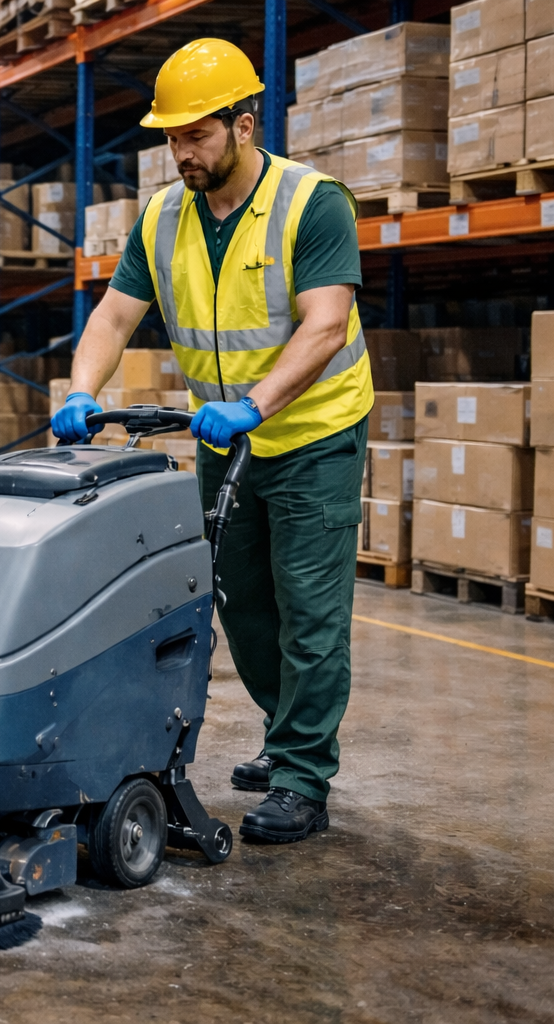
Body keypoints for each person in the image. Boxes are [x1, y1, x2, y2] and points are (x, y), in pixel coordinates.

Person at [51, 39, 371, 844]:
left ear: (243, 123)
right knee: (241, 603)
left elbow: (326, 324)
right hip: (226, 442)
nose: (181, 152)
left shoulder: (313, 203)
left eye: (196, 134)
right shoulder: (161, 217)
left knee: (310, 611)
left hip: (310, 436)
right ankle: (287, 730)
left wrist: (256, 405)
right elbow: (114, 317)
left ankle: (303, 773)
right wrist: (82, 388)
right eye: (171, 137)